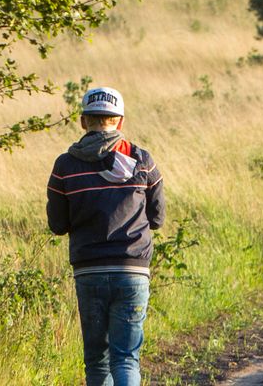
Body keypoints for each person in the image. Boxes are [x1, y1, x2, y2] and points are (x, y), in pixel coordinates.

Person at [47, 85, 164, 386]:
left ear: (84, 121)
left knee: (97, 362)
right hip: (132, 271)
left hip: (89, 271)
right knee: (126, 358)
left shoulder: (65, 166)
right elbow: (158, 218)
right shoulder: (142, 160)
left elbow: (57, 225)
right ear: (120, 122)